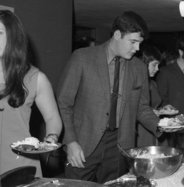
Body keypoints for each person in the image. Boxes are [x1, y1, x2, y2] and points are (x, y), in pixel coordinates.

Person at [57, 11, 160, 183]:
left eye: (140, 43)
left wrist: (163, 126)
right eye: (133, 42)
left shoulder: (139, 68)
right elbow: (64, 103)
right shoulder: (82, 58)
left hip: (120, 145)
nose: (137, 48)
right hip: (83, 143)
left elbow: (142, 108)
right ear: (117, 35)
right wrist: (71, 142)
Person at [0, 10, 62, 177]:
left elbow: (52, 118)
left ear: (13, 38)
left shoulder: (35, 78)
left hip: (18, 166)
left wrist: (51, 138)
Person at [136, 42, 163, 147]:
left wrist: (162, 109)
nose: (157, 69)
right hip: (141, 130)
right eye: (154, 65)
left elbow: (153, 106)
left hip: (153, 127)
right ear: (143, 63)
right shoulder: (135, 84)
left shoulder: (153, 83)